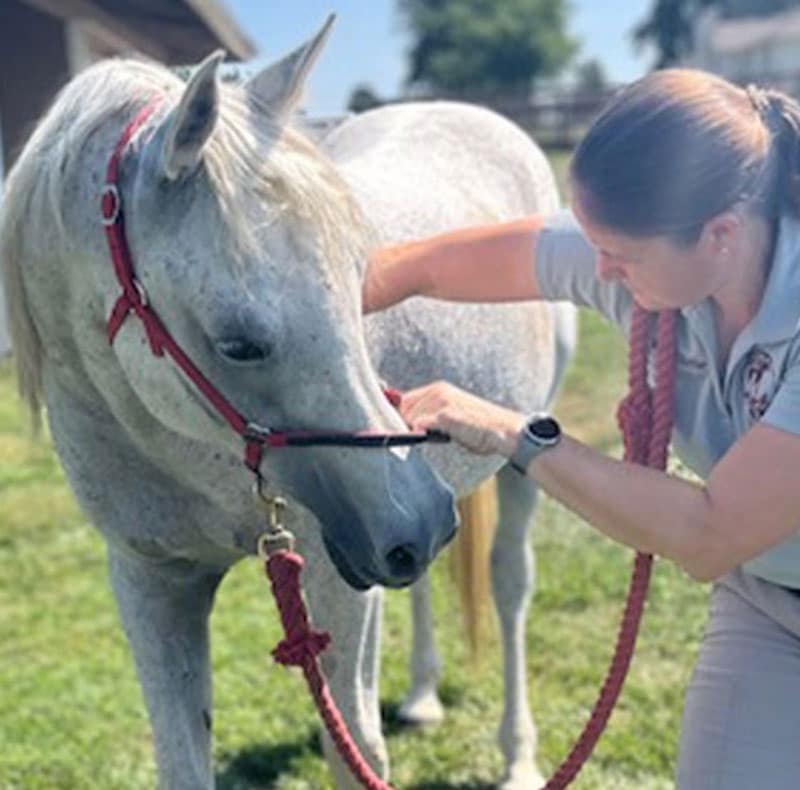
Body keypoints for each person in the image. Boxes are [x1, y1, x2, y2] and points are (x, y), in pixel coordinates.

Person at [361, 68, 800, 789]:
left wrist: (515, 434)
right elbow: (421, 267)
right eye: (594, 245)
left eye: (619, 258)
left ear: (720, 234)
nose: (596, 272)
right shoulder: (650, 253)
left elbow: (708, 533)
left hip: (740, 551)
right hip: (768, 598)